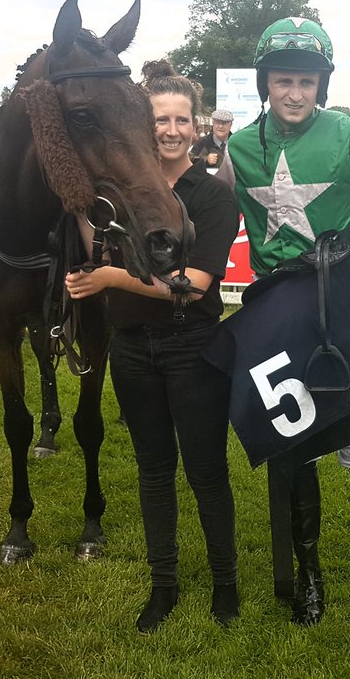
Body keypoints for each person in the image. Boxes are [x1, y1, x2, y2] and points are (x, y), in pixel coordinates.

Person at [217, 17, 350, 625]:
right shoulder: (237, 149)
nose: (293, 93)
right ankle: (310, 579)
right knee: (298, 440)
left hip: (348, 308)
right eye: (283, 80)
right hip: (279, 314)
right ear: (266, 83)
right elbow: (211, 217)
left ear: (321, 85)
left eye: (305, 82)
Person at [65, 64, 239, 633]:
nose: (170, 130)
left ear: (196, 126)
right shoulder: (116, 196)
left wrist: (115, 281)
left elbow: (194, 286)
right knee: (153, 470)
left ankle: (224, 583)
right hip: (134, 348)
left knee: (207, 471)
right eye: (158, 119)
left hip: (194, 346)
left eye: (180, 120)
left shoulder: (212, 195)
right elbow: (92, 248)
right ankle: (163, 584)